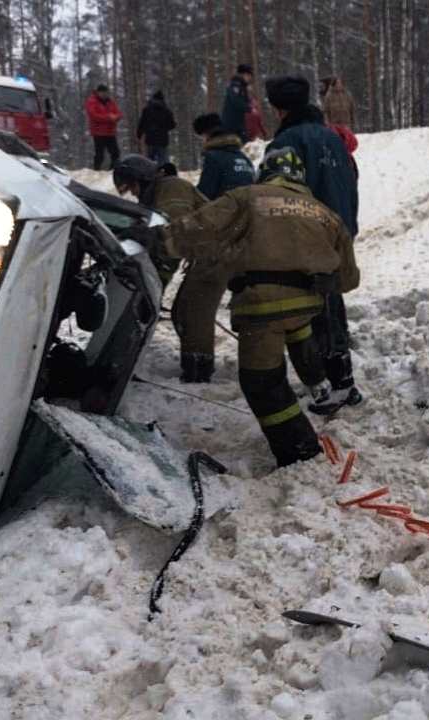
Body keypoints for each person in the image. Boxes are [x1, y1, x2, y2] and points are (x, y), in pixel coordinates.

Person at [149, 147, 360, 467]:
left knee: (262, 383)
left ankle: (300, 451)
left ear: (266, 172)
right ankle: (319, 387)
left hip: (261, 308)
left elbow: (200, 227)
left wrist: (157, 239)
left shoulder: (246, 197)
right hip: (305, 307)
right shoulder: (324, 212)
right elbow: (348, 279)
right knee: (296, 328)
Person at [265, 74, 361, 415]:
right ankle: (343, 380)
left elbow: (273, 196)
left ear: (277, 108)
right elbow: (351, 181)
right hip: (339, 232)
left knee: (316, 310)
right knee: (332, 303)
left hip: (307, 237)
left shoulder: (286, 143)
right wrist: (347, 225)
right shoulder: (333, 138)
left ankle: (336, 385)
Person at [112, 155, 215, 382]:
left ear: (142, 178)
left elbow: (176, 234)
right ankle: (197, 366)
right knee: (185, 312)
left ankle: (198, 372)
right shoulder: (160, 192)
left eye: (133, 188)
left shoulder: (171, 189)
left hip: (218, 253)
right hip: (207, 252)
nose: (135, 195)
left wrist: (154, 282)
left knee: (192, 312)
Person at [192, 112, 255, 200]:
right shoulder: (244, 158)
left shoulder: (213, 158)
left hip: (226, 207)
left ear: (206, 135)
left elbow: (204, 192)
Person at [85, 84, 123, 170]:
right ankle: (96, 171)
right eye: (103, 93)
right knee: (100, 154)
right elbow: (94, 115)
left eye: (106, 93)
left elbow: (119, 113)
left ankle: (113, 170)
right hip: (98, 132)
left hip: (110, 132)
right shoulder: (92, 101)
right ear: (98, 92)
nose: (105, 94)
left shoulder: (110, 102)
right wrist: (109, 117)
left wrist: (115, 117)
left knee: (115, 153)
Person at [136, 90, 177, 165]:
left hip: (150, 139)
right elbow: (172, 125)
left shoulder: (147, 110)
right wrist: (164, 127)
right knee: (163, 162)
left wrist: (139, 134)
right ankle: (164, 175)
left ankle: (149, 174)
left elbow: (142, 123)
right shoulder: (166, 111)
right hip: (162, 140)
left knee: (149, 162)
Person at [220, 63, 254, 140]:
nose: (250, 78)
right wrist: (249, 108)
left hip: (239, 123)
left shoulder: (242, 86)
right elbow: (236, 100)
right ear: (243, 74)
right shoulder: (235, 85)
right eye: (248, 75)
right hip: (231, 123)